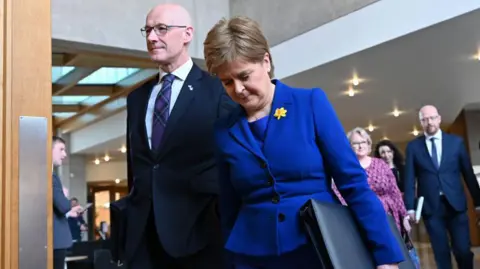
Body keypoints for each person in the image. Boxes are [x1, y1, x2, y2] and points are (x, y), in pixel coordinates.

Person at [203, 16, 404, 269]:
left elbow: (353, 182)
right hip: (252, 256)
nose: (238, 89)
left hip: (316, 246)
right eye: (227, 82)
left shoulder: (310, 103)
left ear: (266, 61)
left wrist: (385, 256)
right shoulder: (224, 130)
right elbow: (230, 204)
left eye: (244, 76)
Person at [124, 3, 235, 269]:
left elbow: (231, 165)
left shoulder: (218, 91)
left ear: (187, 34)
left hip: (199, 238)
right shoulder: (136, 98)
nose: (152, 37)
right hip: (142, 239)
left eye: (161, 29)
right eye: (148, 30)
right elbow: (137, 168)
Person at [404, 105, 480, 269]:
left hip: (456, 204)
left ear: (439, 119)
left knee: (462, 250)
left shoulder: (456, 143)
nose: (429, 122)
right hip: (432, 208)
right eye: (424, 119)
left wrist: (478, 201)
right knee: (441, 252)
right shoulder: (413, 147)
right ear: (421, 123)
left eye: (432, 118)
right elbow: (409, 179)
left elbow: (468, 174)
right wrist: (410, 207)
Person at [339, 128, 410, 233]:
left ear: (368, 144)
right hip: (362, 218)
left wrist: (404, 216)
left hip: (389, 216)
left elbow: (394, 191)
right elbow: (339, 194)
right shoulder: (346, 168)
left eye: (363, 142)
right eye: (356, 143)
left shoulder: (381, 164)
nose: (360, 146)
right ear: (349, 146)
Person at [52, 136, 83, 269]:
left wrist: (70, 210)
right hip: (55, 241)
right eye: (61, 149)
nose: (64, 154)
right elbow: (62, 205)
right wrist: (68, 202)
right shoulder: (50, 176)